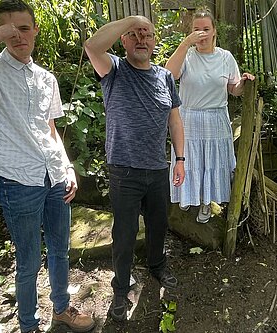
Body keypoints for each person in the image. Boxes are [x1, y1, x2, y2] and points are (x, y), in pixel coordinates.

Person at [0, 1, 95, 332]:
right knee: (28, 262)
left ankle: (62, 309)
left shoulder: (46, 78)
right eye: (8, 30)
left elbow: (50, 129)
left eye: (23, 28)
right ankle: (28, 324)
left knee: (60, 251)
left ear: (35, 30)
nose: (17, 36)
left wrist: (67, 168)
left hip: (54, 177)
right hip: (18, 181)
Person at [84, 15, 185, 322]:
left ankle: (157, 266)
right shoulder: (114, 69)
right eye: (135, 34)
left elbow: (175, 120)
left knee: (158, 225)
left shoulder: (165, 77)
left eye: (148, 34)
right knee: (125, 233)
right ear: (124, 40)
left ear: (155, 43)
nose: (142, 39)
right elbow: (92, 46)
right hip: (124, 170)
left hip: (156, 169)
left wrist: (180, 158)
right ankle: (120, 289)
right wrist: (132, 19)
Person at [165, 8, 255, 224]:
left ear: (214, 31)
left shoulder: (225, 57)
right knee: (187, 159)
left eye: (206, 29)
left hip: (216, 117)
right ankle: (187, 196)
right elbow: (168, 74)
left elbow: (234, 89)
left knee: (212, 161)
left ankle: (206, 202)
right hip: (189, 116)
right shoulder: (187, 55)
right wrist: (185, 43)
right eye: (197, 30)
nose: (202, 34)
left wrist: (243, 82)